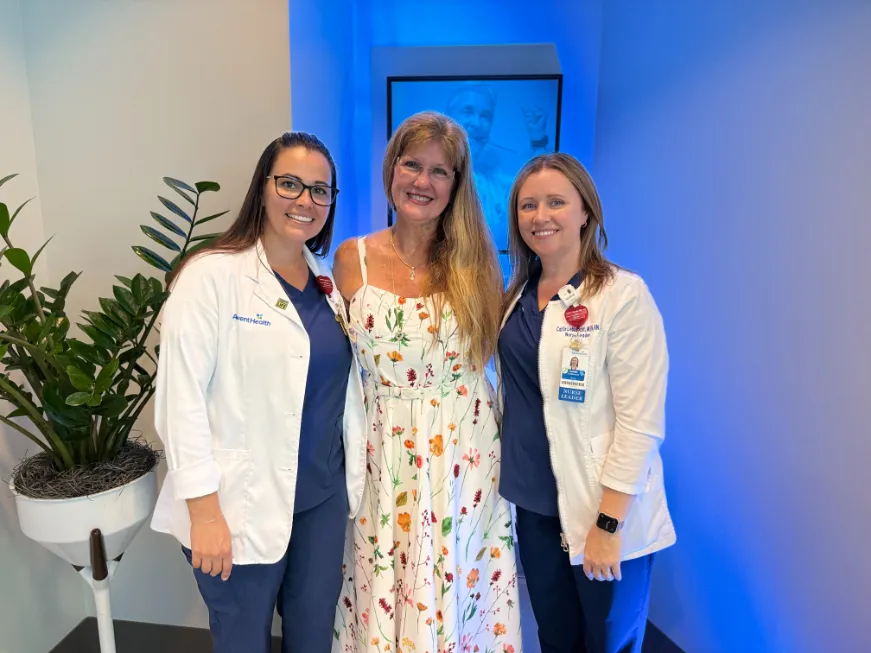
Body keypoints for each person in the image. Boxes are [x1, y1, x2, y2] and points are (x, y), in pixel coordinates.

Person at [150, 131, 367, 653]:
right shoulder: (211, 277)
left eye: (320, 190)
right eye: (290, 183)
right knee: (243, 639)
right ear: (262, 188)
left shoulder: (326, 284)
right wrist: (204, 514)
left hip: (319, 500)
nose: (304, 200)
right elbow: (179, 402)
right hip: (234, 503)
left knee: (313, 638)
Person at [330, 111, 522, 652]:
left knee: (457, 575)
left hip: (461, 451)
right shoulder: (352, 260)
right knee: (381, 577)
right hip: (381, 445)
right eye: (412, 164)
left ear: (456, 185)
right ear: (392, 170)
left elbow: (488, 357)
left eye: (440, 172)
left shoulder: (478, 264)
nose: (423, 181)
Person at [496, 152, 676, 653]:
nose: (540, 216)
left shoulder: (622, 296)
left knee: (607, 643)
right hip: (535, 508)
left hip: (602, 510)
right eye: (528, 205)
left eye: (556, 202)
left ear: (586, 214)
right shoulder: (516, 296)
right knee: (555, 639)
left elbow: (641, 424)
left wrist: (608, 524)